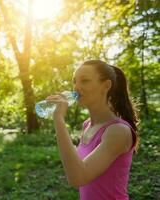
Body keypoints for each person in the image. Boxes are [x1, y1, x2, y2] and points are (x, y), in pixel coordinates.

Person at [46, 60, 139, 200]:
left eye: (85, 81)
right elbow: (77, 166)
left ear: (106, 85)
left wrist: (59, 119)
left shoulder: (118, 131)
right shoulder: (87, 125)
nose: (76, 87)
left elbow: (77, 178)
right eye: (74, 81)